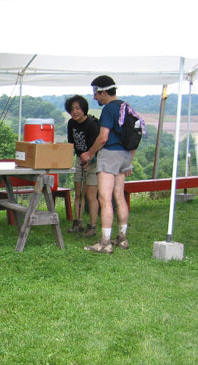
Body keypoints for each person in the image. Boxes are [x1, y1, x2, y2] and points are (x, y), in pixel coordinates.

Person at [80, 76, 133, 254]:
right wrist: (130, 159)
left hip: (110, 155)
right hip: (125, 155)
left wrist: (90, 153)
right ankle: (122, 238)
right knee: (119, 196)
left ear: (103, 92)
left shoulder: (109, 109)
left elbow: (103, 137)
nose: (95, 98)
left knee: (104, 198)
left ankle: (105, 242)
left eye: (96, 93)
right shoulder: (126, 107)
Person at [65, 95, 99, 236]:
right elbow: (71, 143)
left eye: (78, 108)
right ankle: (78, 223)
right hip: (80, 160)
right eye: (72, 109)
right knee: (78, 194)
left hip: (94, 161)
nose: (75, 112)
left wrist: (89, 159)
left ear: (84, 109)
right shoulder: (71, 123)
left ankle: (92, 227)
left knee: (91, 196)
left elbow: (96, 146)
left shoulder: (92, 124)